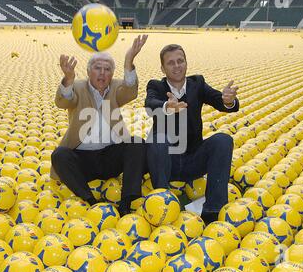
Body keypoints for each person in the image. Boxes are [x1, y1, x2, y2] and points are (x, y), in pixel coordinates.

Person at [51, 35, 148, 216]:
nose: (102, 73)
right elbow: (63, 101)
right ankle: (91, 200)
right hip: (83, 159)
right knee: (60, 155)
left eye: (107, 69)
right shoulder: (77, 87)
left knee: (136, 142)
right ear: (88, 71)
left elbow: (130, 90)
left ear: (112, 74)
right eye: (97, 68)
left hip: (111, 156)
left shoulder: (116, 87)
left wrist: (129, 62)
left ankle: (126, 202)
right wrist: (68, 79)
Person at [145, 44, 239, 224]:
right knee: (157, 138)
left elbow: (219, 101)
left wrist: (228, 101)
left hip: (193, 160)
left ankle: (213, 209)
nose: (177, 66)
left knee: (223, 140)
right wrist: (167, 106)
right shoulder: (156, 86)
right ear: (163, 68)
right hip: (167, 163)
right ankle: (162, 203)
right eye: (170, 63)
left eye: (180, 61)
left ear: (186, 63)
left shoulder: (198, 83)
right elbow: (150, 103)